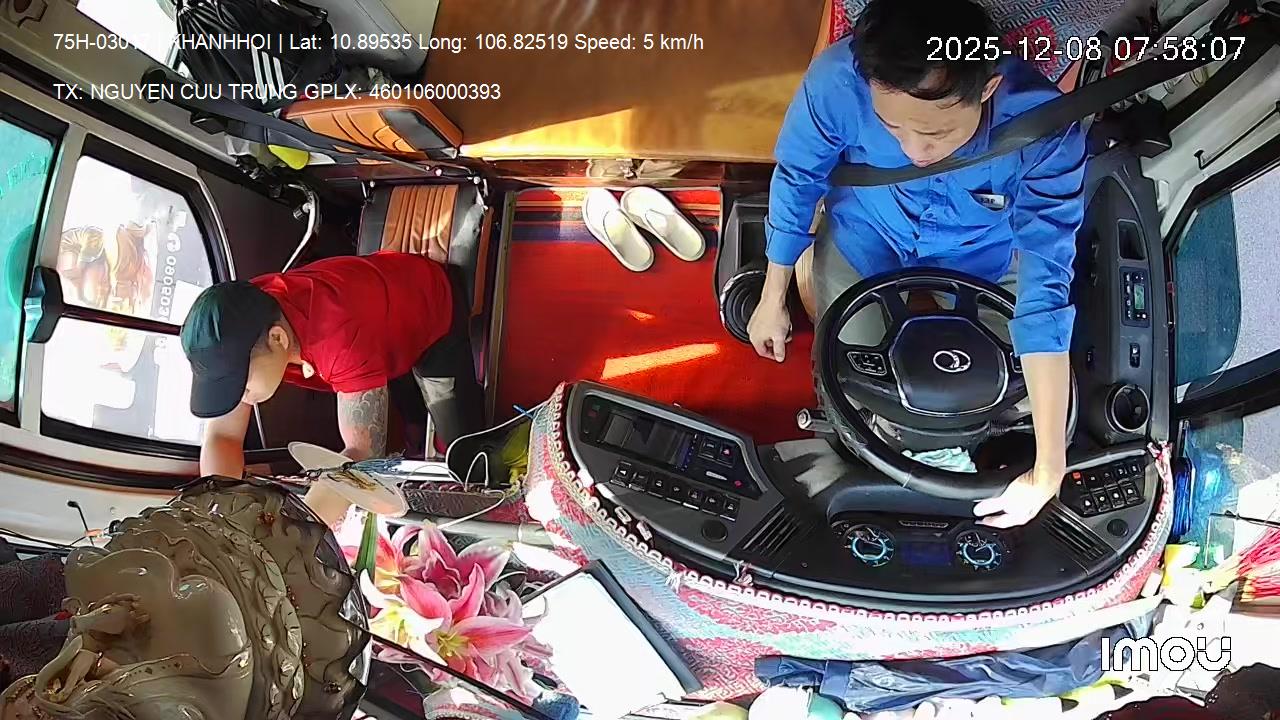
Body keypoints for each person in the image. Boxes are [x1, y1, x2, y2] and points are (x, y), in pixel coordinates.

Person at [748, 0, 1086, 528]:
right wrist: (773, 298)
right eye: (893, 127)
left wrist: (1048, 469)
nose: (915, 151)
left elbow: (1046, 286)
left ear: (988, 90)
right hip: (867, 232)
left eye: (937, 134)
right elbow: (797, 181)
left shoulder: (1046, 129)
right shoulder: (838, 80)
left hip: (983, 256)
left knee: (1006, 385)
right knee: (845, 363)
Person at [180, 251, 482, 477]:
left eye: (241, 383)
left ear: (277, 338)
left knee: (462, 454)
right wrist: (219, 508)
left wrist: (304, 523)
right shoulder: (247, 313)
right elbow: (223, 436)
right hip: (378, 329)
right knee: (412, 427)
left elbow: (363, 458)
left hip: (430, 307)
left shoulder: (338, 337)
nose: (241, 397)